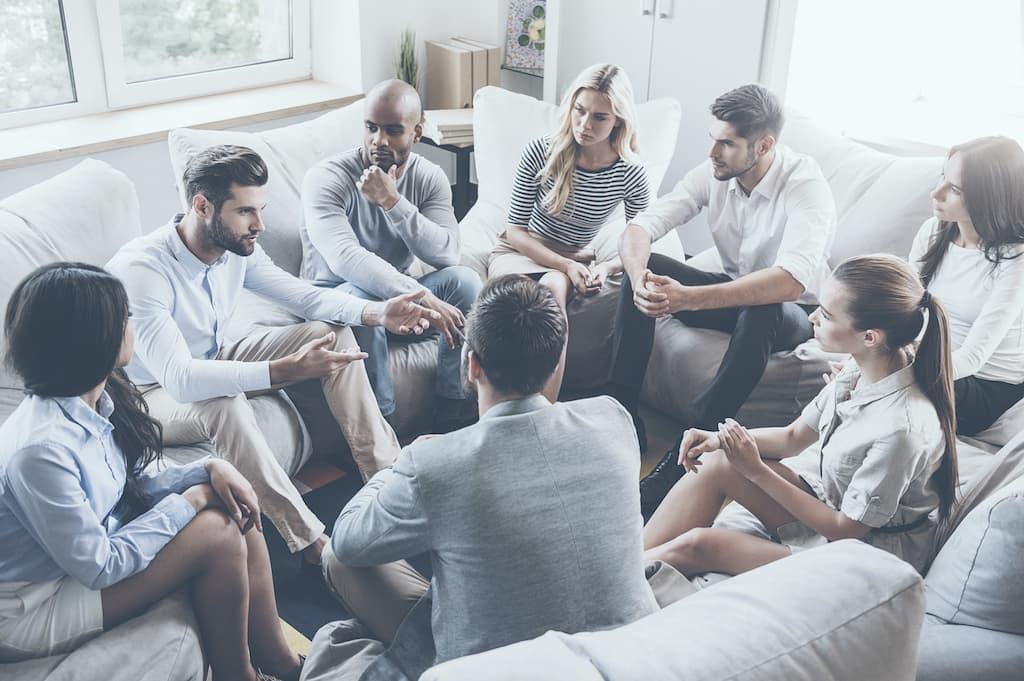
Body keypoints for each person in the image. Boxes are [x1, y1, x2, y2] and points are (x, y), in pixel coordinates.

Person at [304, 275, 662, 681]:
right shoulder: (612, 418)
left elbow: (349, 542)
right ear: (555, 361)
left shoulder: (434, 463)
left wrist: (398, 465)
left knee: (337, 555)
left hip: (495, 670)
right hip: (629, 657)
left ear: (471, 363)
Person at [106, 145, 436, 566]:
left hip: (216, 353)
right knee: (220, 399)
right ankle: (311, 543)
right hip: (149, 394)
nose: (259, 224)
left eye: (261, 209)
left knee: (331, 333)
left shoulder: (235, 249)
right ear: (202, 205)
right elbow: (181, 379)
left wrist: (377, 312)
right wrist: (284, 370)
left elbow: (300, 295)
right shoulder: (144, 271)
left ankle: (386, 485)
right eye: (246, 212)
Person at [0, 263, 302, 681]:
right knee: (216, 533)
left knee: (230, 497)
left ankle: (283, 664)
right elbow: (99, 566)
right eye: (124, 316)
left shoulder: (97, 402)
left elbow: (129, 481)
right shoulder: (39, 451)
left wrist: (210, 468)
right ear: (92, 336)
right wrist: (192, 499)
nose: (131, 324)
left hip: (78, 568)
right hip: (35, 606)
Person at [643, 254, 959, 577]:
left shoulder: (900, 430)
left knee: (699, 545)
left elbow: (845, 530)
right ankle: (620, 570)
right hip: (834, 511)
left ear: (870, 336)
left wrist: (756, 471)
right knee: (718, 461)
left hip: (865, 556)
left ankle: (620, 587)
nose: (812, 320)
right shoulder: (859, 368)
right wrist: (718, 440)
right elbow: (792, 438)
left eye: (826, 314)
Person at [606, 83, 836, 517]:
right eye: (713, 138)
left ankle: (687, 446)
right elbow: (639, 230)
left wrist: (690, 299)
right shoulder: (715, 172)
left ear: (764, 145)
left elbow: (788, 282)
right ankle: (620, 411)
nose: (712, 151)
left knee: (762, 302)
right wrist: (639, 278)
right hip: (732, 295)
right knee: (651, 264)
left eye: (726, 143)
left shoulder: (805, 184)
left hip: (792, 311)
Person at [301, 79, 482, 432]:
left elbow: (447, 253)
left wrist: (392, 202)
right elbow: (345, 260)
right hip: (339, 303)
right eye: (371, 128)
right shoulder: (326, 178)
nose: (378, 141)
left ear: (417, 132)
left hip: (400, 304)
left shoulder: (429, 178)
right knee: (363, 298)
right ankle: (382, 424)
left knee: (466, 281)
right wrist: (424, 296)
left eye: (393, 130)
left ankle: (453, 408)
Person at [488, 63, 650, 402]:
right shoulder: (541, 152)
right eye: (580, 111)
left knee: (557, 284)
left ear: (618, 120)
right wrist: (566, 264)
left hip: (573, 258)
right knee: (551, 286)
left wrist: (605, 268)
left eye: (599, 118)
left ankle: (544, 410)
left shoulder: (630, 173)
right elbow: (515, 231)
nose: (584, 125)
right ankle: (531, 408)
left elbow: (642, 241)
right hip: (521, 252)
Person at [909, 136, 1024, 435]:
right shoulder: (934, 231)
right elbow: (902, 305)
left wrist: (895, 370)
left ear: (991, 197)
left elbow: (972, 358)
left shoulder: (1016, 261)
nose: (937, 192)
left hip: (983, 385)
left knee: (886, 390)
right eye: (942, 177)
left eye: (955, 189)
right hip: (930, 360)